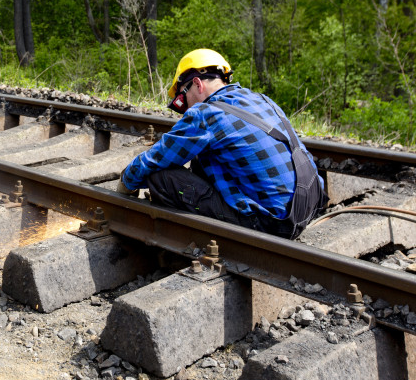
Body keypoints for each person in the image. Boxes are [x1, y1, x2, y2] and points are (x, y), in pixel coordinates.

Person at [117, 48, 327, 239]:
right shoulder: (261, 99)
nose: (184, 107)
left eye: (183, 97)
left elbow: (157, 158)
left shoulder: (207, 113)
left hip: (273, 224)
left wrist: (126, 182)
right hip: (306, 207)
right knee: (204, 157)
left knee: (160, 178)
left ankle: (192, 243)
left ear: (197, 84)